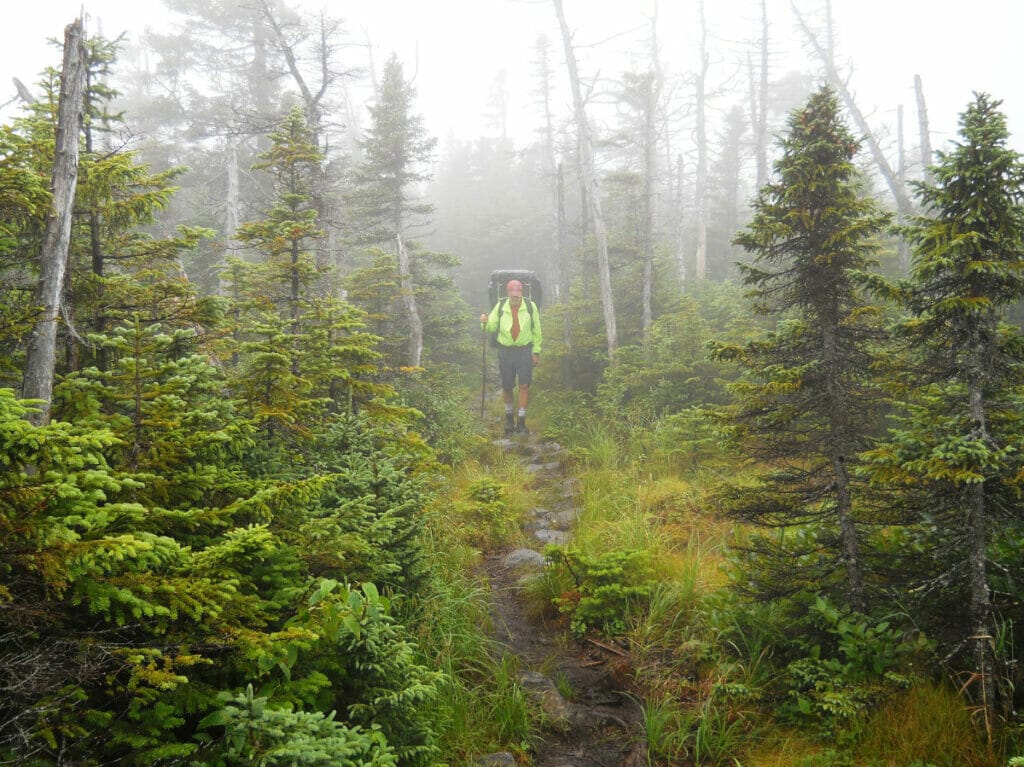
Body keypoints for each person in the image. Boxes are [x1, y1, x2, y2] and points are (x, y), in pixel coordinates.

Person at [480, 279, 542, 435]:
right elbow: (492, 326)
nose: (515, 297)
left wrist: (536, 352)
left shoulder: (530, 306)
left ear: (521, 293)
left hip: (524, 351)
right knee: (507, 386)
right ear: (508, 293)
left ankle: (521, 422)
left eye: (518, 293)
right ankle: (509, 420)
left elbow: (537, 331)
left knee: (524, 385)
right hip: (506, 352)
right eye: (513, 294)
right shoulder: (500, 306)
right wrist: (484, 322)